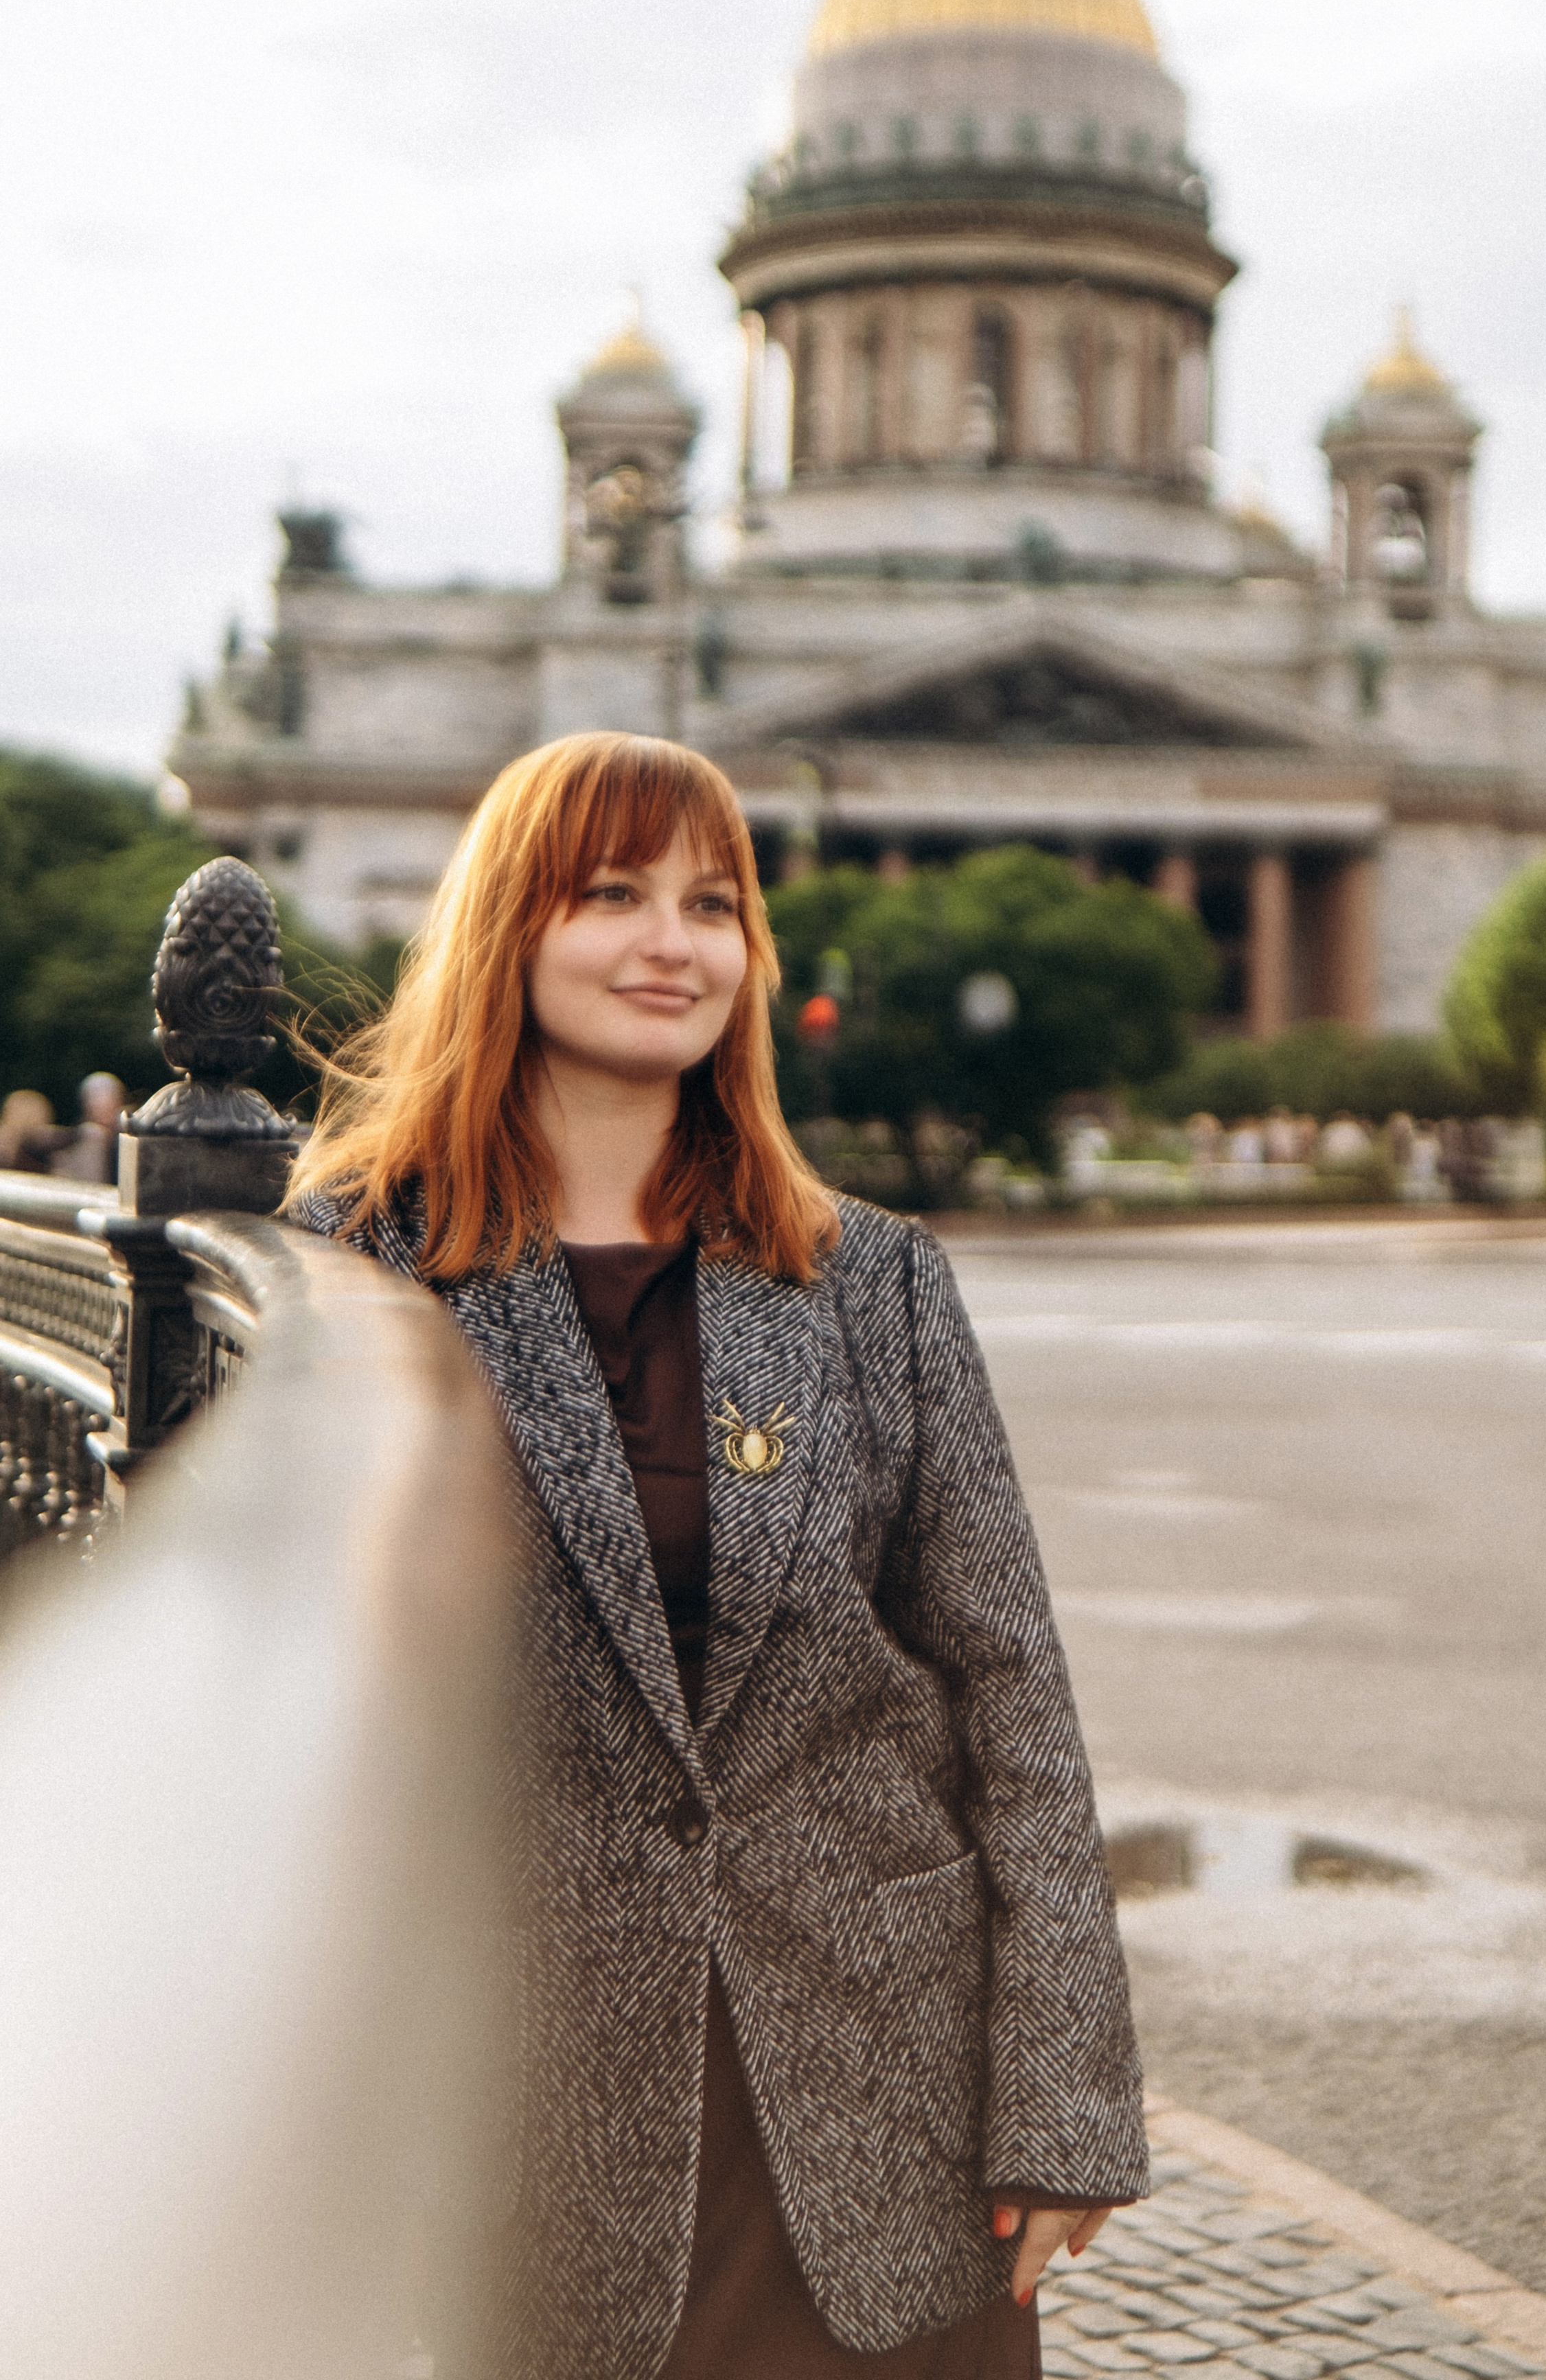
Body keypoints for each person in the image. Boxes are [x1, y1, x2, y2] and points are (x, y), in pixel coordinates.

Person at [284, 732, 1146, 2380]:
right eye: (610, 895)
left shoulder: (869, 1280)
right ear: (506, 930)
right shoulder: (346, 1278)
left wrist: (1061, 2103)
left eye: (711, 903)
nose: (670, 944)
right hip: (525, 2104)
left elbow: (1008, 1698)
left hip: (877, 2100)